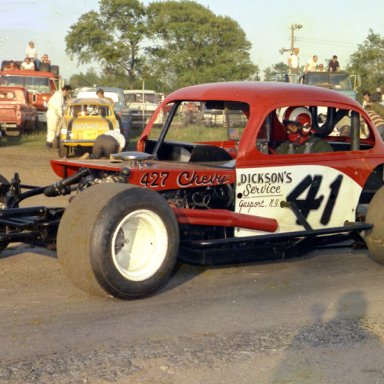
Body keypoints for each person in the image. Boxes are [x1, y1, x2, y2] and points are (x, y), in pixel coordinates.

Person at [46, 85, 72, 149]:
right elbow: (58, 106)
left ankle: (54, 142)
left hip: (56, 114)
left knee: (57, 128)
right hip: (53, 113)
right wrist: (61, 114)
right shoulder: (58, 95)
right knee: (52, 128)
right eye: (68, 92)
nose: (67, 94)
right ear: (65, 91)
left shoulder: (61, 96)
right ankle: (49, 143)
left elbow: (62, 105)